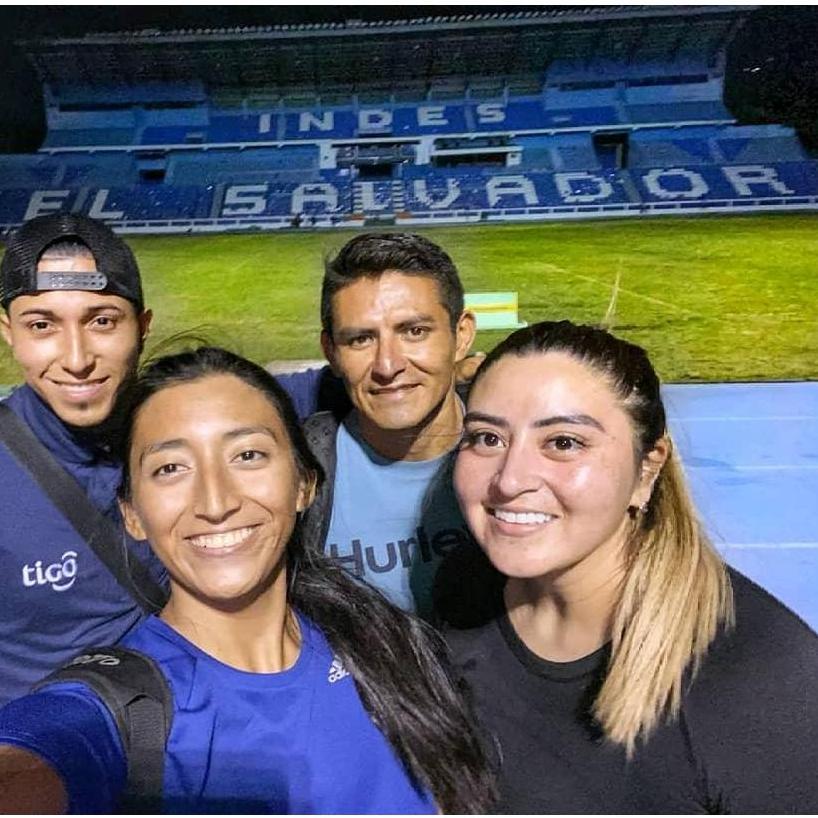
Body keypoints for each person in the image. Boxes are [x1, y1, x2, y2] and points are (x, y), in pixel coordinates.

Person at [0, 347, 496, 814]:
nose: (216, 503)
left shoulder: (383, 639)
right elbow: (42, 750)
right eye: (171, 468)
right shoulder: (120, 710)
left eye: (248, 456)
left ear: (305, 482)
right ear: (132, 514)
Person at [440, 319, 818, 813]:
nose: (510, 480)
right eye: (488, 438)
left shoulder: (764, 678)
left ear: (647, 468)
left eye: (563, 443)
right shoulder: (463, 589)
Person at [0, 213, 165, 706]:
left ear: (143, 326)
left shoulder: (190, 425)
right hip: (46, 767)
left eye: (102, 321)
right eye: (42, 325)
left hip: (189, 754)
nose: (76, 359)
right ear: (9, 332)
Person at [302, 232, 478, 618]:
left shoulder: (522, 459)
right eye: (361, 339)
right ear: (330, 352)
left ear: (461, 336)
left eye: (414, 331)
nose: (388, 365)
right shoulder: (297, 475)